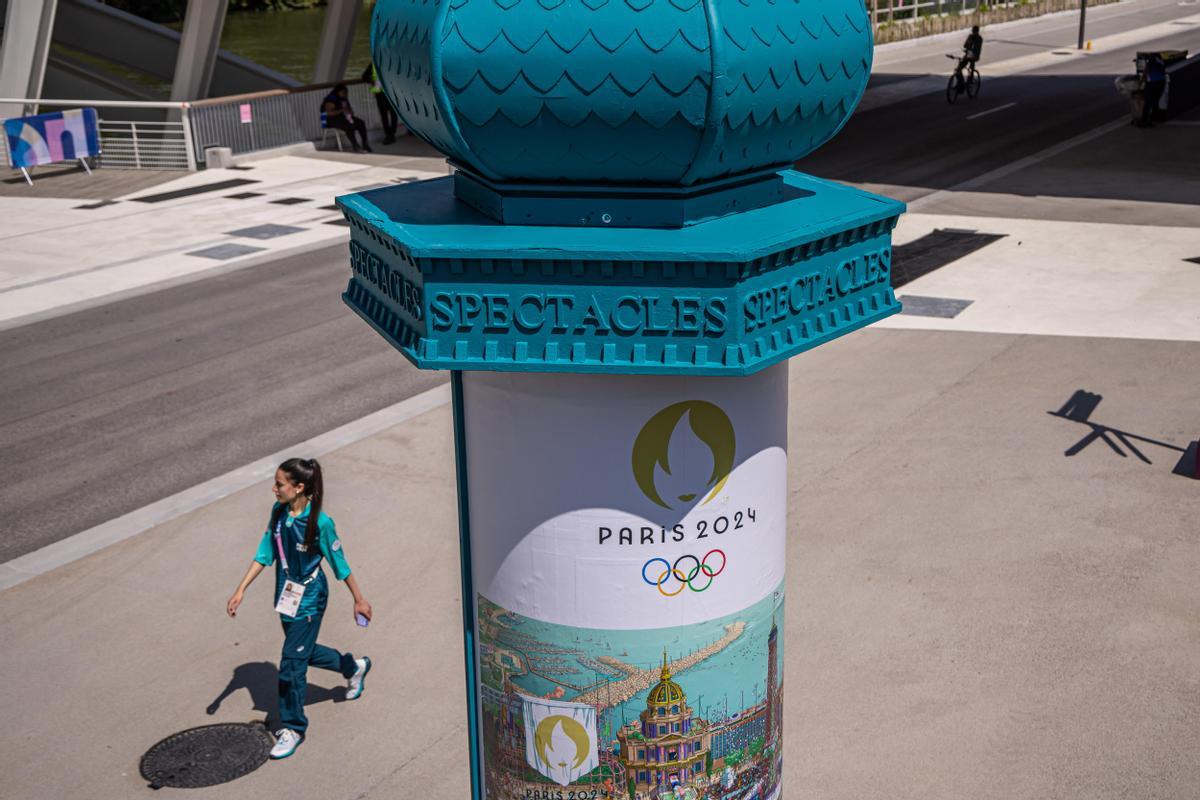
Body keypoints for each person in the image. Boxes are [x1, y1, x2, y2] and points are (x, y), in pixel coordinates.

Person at [226, 458, 373, 760]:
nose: (274, 488)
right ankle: (353, 667)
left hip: (310, 599)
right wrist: (241, 589)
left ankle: (293, 728)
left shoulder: (321, 523)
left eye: (279, 484)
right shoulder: (279, 512)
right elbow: (266, 551)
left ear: (299, 487)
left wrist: (359, 599)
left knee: (291, 666)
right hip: (286, 596)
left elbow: (339, 564)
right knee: (303, 651)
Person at [321, 84, 371, 152]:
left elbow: (349, 110)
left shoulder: (344, 99)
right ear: (338, 92)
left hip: (345, 118)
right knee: (349, 125)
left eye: (346, 92)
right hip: (332, 120)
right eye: (343, 92)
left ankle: (365, 144)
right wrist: (342, 110)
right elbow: (329, 113)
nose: (345, 94)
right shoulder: (331, 99)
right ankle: (355, 145)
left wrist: (350, 112)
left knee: (360, 123)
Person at [362, 61, 398, 145]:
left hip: (392, 94)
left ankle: (392, 133)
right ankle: (388, 135)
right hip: (380, 95)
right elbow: (364, 77)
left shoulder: (392, 63)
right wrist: (372, 80)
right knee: (384, 115)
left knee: (394, 114)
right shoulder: (374, 65)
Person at [1141, 53, 1167, 127]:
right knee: (1155, 102)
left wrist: (1141, 83)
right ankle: (1153, 119)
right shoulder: (1161, 62)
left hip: (1153, 83)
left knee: (1147, 103)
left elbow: (1145, 73)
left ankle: (1145, 121)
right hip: (1161, 83)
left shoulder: (1151, 62)